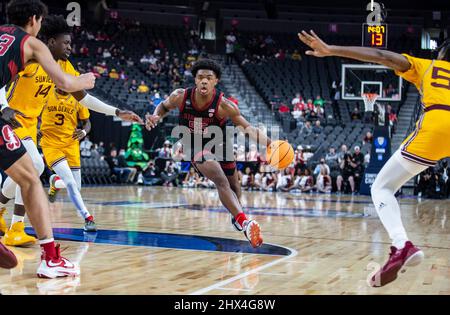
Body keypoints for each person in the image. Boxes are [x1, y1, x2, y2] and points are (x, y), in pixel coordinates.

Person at [298, 29, 450, 287]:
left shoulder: (429, 66)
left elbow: (381, 55)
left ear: (441, 54)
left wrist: (332, 49)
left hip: (439, 123)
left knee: (382, 186)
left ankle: (402, 245)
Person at [0, 0, 95, 278]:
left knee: (30, 171)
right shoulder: (32, 43)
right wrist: (85, 80)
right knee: (30, 178)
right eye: (40, 21)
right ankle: (51, 259)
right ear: (34, 19)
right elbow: (66, 84)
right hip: (14, 120)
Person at [145, 59, 269, 248]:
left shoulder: (225, 105)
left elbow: (248, 129)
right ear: (195, 80)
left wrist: (271, 144)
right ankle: (245, 223)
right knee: (220, 180)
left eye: (208, 78)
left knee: (234, 184)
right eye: (200, 77)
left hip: (219, 141)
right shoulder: (180, 96)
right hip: (192, 143)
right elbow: (162, 106)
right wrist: (156, 115)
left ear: (216, 81)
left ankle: (238, 216)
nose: (204, 81)